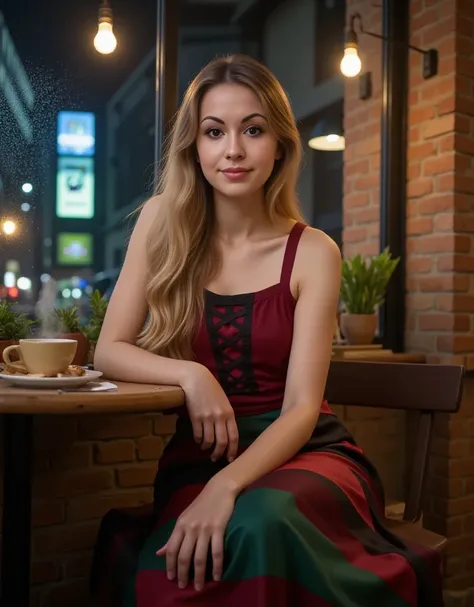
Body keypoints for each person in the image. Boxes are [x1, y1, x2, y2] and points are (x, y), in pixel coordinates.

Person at [91, 54, 443, 607]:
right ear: (195, 146)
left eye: (252, 130)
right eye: (214, 132)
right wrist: (193, 375)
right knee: (198, 553)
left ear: (279, 145)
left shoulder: (314, 250)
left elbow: (303, 409)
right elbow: (108, 350)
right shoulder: (160, 222)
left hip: (306, 454)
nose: (233, 150)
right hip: (198, 457)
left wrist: (226, 486)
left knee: (260, 521)